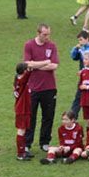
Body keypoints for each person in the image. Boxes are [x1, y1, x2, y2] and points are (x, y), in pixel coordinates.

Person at [24, 24, 60, 152]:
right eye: (45, 34)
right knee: (30, 116)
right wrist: (45, 62)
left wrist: (35, 65)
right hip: (33, 88)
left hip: (50, 88)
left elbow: (54, 65)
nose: (47, 37)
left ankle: (44, 141)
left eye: (48, 34)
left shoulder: (52, 46)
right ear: (38, 33)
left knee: (48, 116)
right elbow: (27, 64)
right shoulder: (29, 45)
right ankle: (27, 143)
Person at [69, 30, 89, 115]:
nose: (80, 42)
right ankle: (73, 115)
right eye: (79, 40)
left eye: (81, 39)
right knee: (79, 96)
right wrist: (75, 48)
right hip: (84, 76)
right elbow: (73, 57)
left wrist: (84, 70)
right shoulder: (80, 48)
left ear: (87, 39)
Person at [14, 63, 33, 160]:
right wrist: (30, 70)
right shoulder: (21, 81)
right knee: (21, 130)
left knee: (24, 130)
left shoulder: (19, 80)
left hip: (23, 109)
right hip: (22, 110)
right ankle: (20, 154)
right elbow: (26, 77)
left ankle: (23, 151)